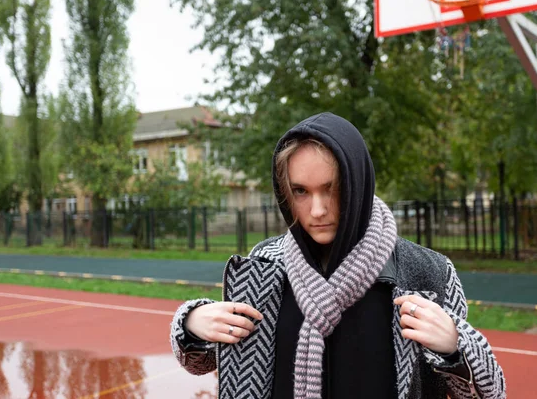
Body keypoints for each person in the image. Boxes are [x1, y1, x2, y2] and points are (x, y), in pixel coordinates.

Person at [170, 112, 506, 399]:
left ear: (358, 182)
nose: (317, 210)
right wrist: (191, 325)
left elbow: (489, 394)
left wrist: (455, 347)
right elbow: (202, 363)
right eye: (301, 191)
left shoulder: (428, 272)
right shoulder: (266, 265)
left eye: (331, 188)